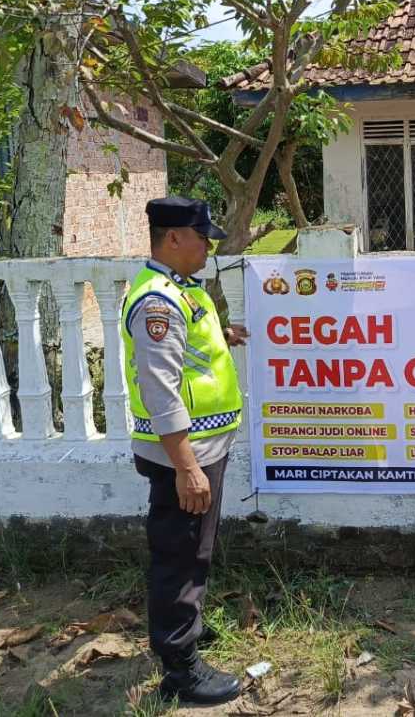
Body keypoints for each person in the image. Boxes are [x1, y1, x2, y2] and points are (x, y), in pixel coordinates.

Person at [121, 196, 248, 705]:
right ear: (173, 238)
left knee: (195, 548)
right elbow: (161, 391)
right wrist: (187, 468)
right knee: (180, 556)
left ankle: (186, 627)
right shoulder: (158, 302)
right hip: (183, 454)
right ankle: (180, 670)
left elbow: (187, 353)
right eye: (202, 238)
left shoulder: (181, 289)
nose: (208, 247)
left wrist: (224, 336)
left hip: (200, 447)